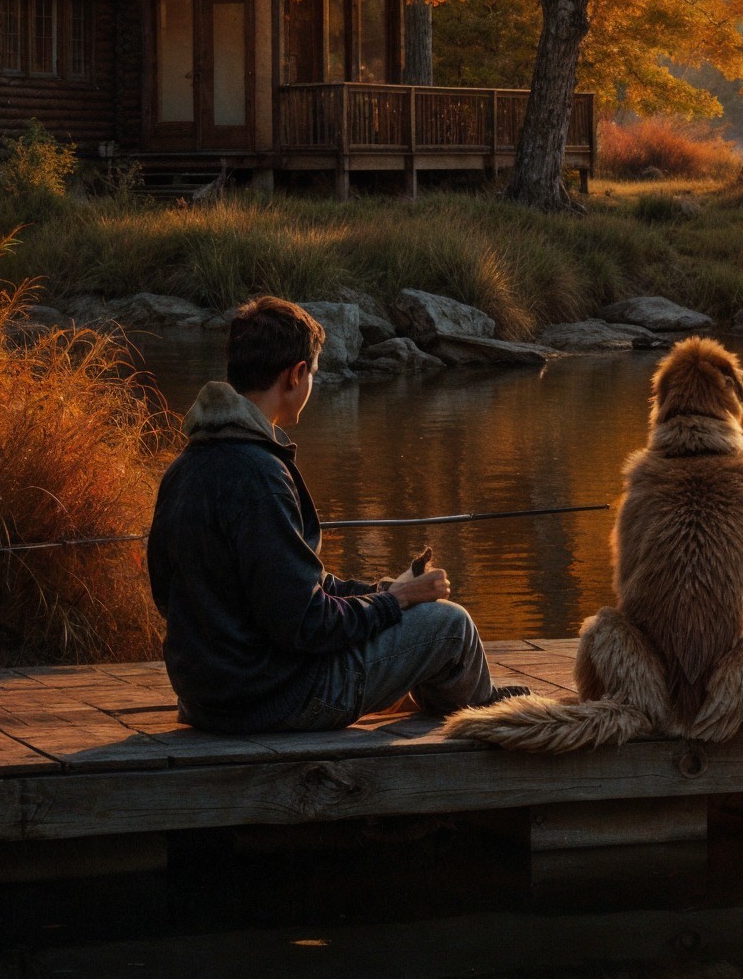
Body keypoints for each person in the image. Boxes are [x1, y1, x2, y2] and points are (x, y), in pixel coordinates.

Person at [148, 296, 527, 734]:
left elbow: (175, 595)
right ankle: (481, 709)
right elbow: (307, 624)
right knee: (450, 626)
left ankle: (465, 697)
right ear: (296, 374)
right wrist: (397, 602)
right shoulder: (261, 474)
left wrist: (384, 590)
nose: (312, 382)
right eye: (313, 372)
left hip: (206, 700)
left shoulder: (185, 466)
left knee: (418, 618)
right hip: (278, 699)